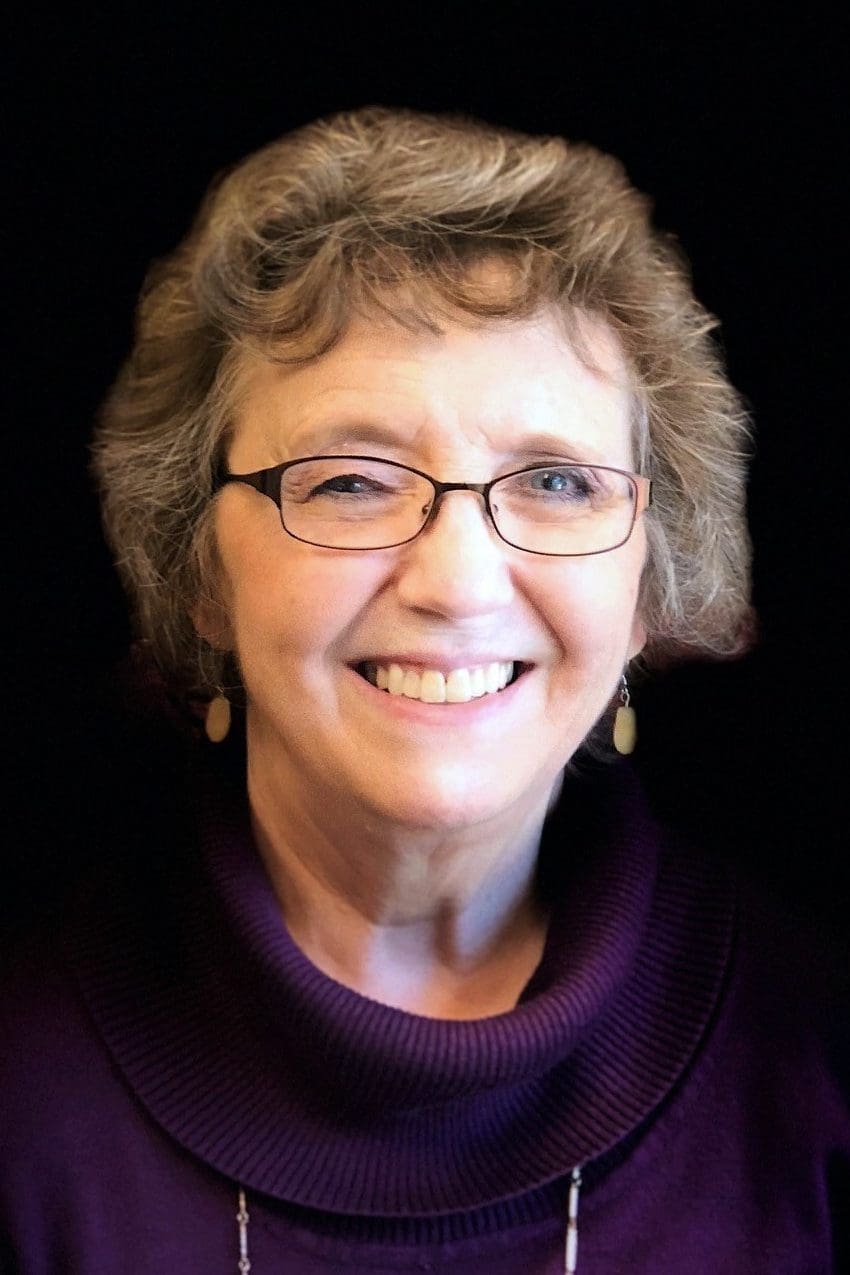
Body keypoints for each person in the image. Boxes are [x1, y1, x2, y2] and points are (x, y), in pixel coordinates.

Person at [1, 105, 847, 1273]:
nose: (456, 584)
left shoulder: (811, 1051)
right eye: (351, 482)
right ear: (199, 572)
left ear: (646, 586)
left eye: (556, 481)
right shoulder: (24, 1095)